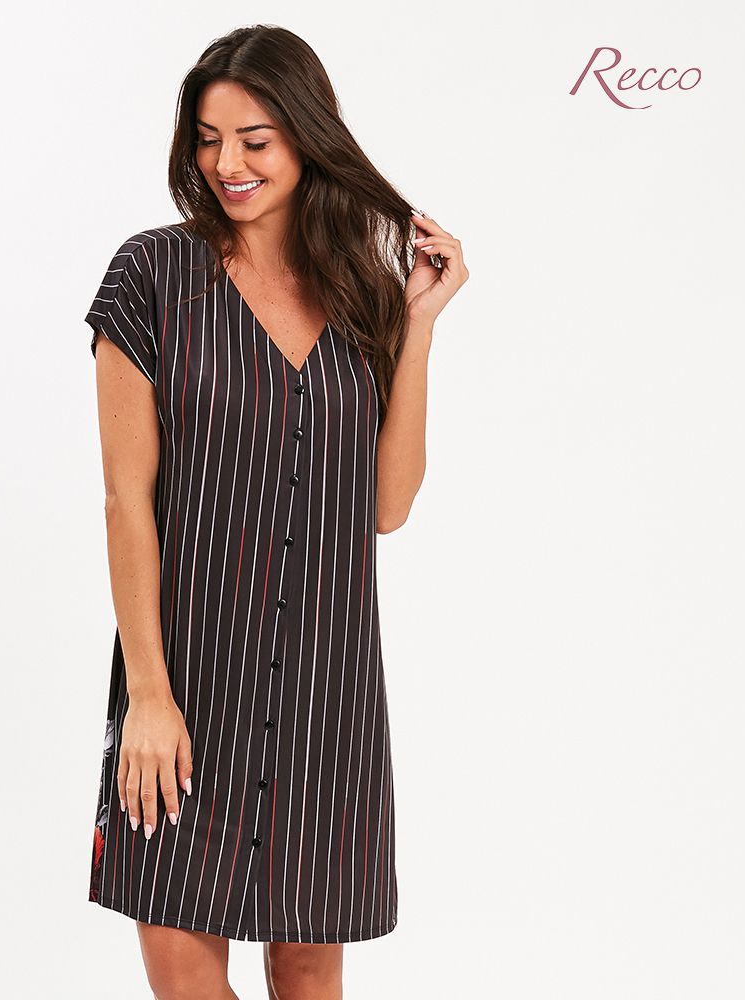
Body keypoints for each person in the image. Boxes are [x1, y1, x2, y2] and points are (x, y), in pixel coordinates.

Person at [85, 23, 468, 1000]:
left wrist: (419, 326)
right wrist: (148, 695)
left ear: (305, 136)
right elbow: (127, 501)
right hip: (187, 687)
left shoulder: (361, 290)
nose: (228, 164)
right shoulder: (152, 276)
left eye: (254, 139)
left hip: (326, 703)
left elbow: (387, 505)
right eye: (209, 140)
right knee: (182, 969)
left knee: (307, 976)